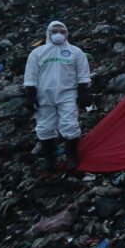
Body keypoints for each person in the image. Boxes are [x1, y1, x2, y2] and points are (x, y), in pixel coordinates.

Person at [24, 21, 91, 171]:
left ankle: (72, 157)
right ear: (48, 33)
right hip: (44, 95)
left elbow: (83, 74)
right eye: (54, 31)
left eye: (62, 31)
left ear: (67, 33)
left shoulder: (75, 52)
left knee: (70, 125)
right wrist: (30, 94)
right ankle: (49, 159)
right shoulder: (38, 53)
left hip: (68, 94)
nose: (58, 34)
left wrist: (83, 92)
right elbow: (31, 75)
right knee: (45, 127)